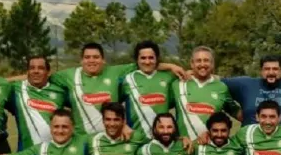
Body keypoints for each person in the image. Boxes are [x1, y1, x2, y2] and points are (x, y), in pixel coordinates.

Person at [50, 43, 185, 135]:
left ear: (103, 60)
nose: (91, 61)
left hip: (112, 138)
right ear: (81, 60)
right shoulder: (68, 75)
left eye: (96, 57)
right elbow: (45, 77)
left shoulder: (116, 72)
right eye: (87, 57)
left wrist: (170, 66)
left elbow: (144, 64)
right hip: (82, 139)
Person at [6, 54, 67, 155]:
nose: (36, 71)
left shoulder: (60, 92)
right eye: (32, 68)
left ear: (48, 71)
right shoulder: (16, 89)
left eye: (40, 68)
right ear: (27, 71)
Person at [172, 46, 242, 141]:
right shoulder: (178, 84)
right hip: (184, 147)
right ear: (192, 64)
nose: (202, 64)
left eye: (206, 60)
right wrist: (170, 66)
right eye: (198, 61)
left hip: (210, 150)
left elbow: (235, 112)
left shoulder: (221, 87)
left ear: (212, 64)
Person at [121, 41, 177, 144]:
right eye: (143, 58)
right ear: (137, 60)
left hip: (162, 140)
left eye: (151, 58)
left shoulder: (168, 77)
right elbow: (113, 106)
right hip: (136, 139)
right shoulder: (127, 80)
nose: (147, 62)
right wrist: (123, 125)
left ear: (157, 59)